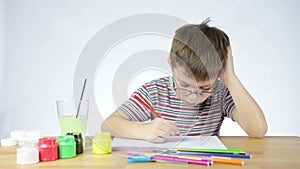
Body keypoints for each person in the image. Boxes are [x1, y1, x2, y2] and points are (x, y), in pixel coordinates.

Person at [102, 19, 268, 143]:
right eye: (185, 85)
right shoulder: (154, 92)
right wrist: (143, 130)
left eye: (204, 88)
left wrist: (230, 77)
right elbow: (108, 125)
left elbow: (258, 130)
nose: (193, 96)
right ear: (171, 65)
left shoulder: (220, 92)